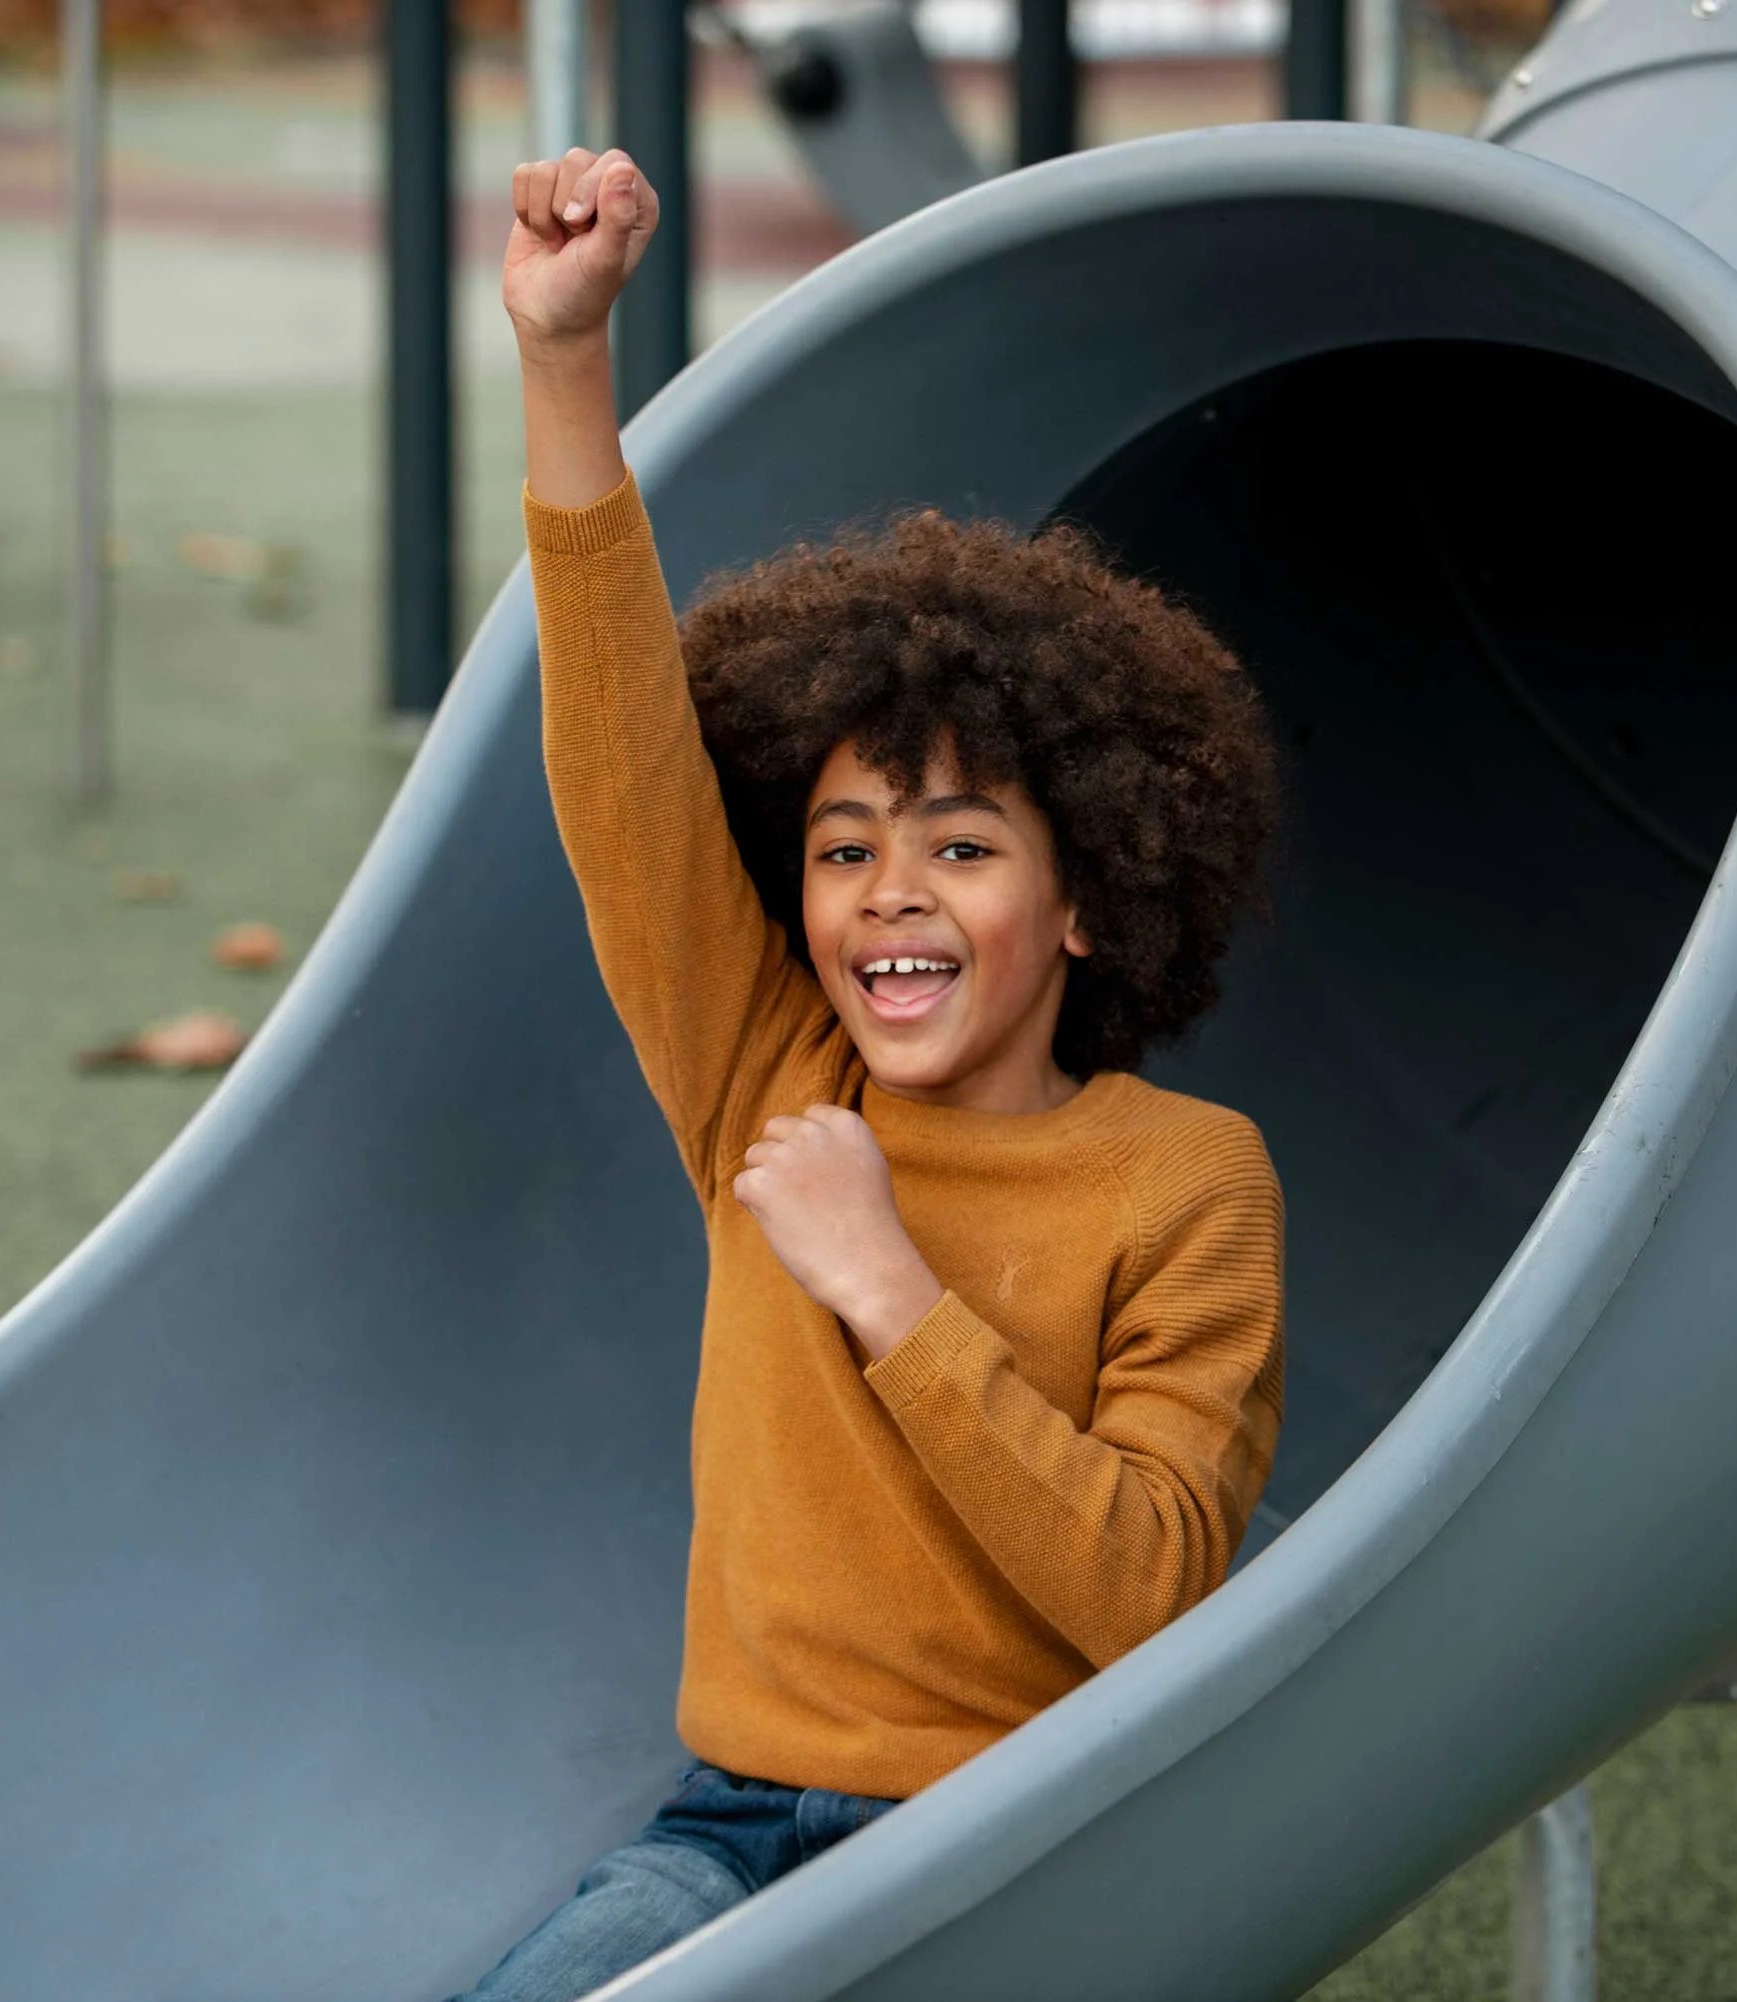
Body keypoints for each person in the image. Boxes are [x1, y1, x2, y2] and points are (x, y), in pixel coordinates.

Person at [455, 144, 1286, 2001]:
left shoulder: (1187, 1181)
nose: (889, 892)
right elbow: (617, 757)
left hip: (1029, 1838)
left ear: (1088, 898)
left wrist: (889, 1285)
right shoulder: (769, 1071)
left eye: (963, 844)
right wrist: (562, 358)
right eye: (843, 848)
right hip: (736, 1827)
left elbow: (1154, 1586)